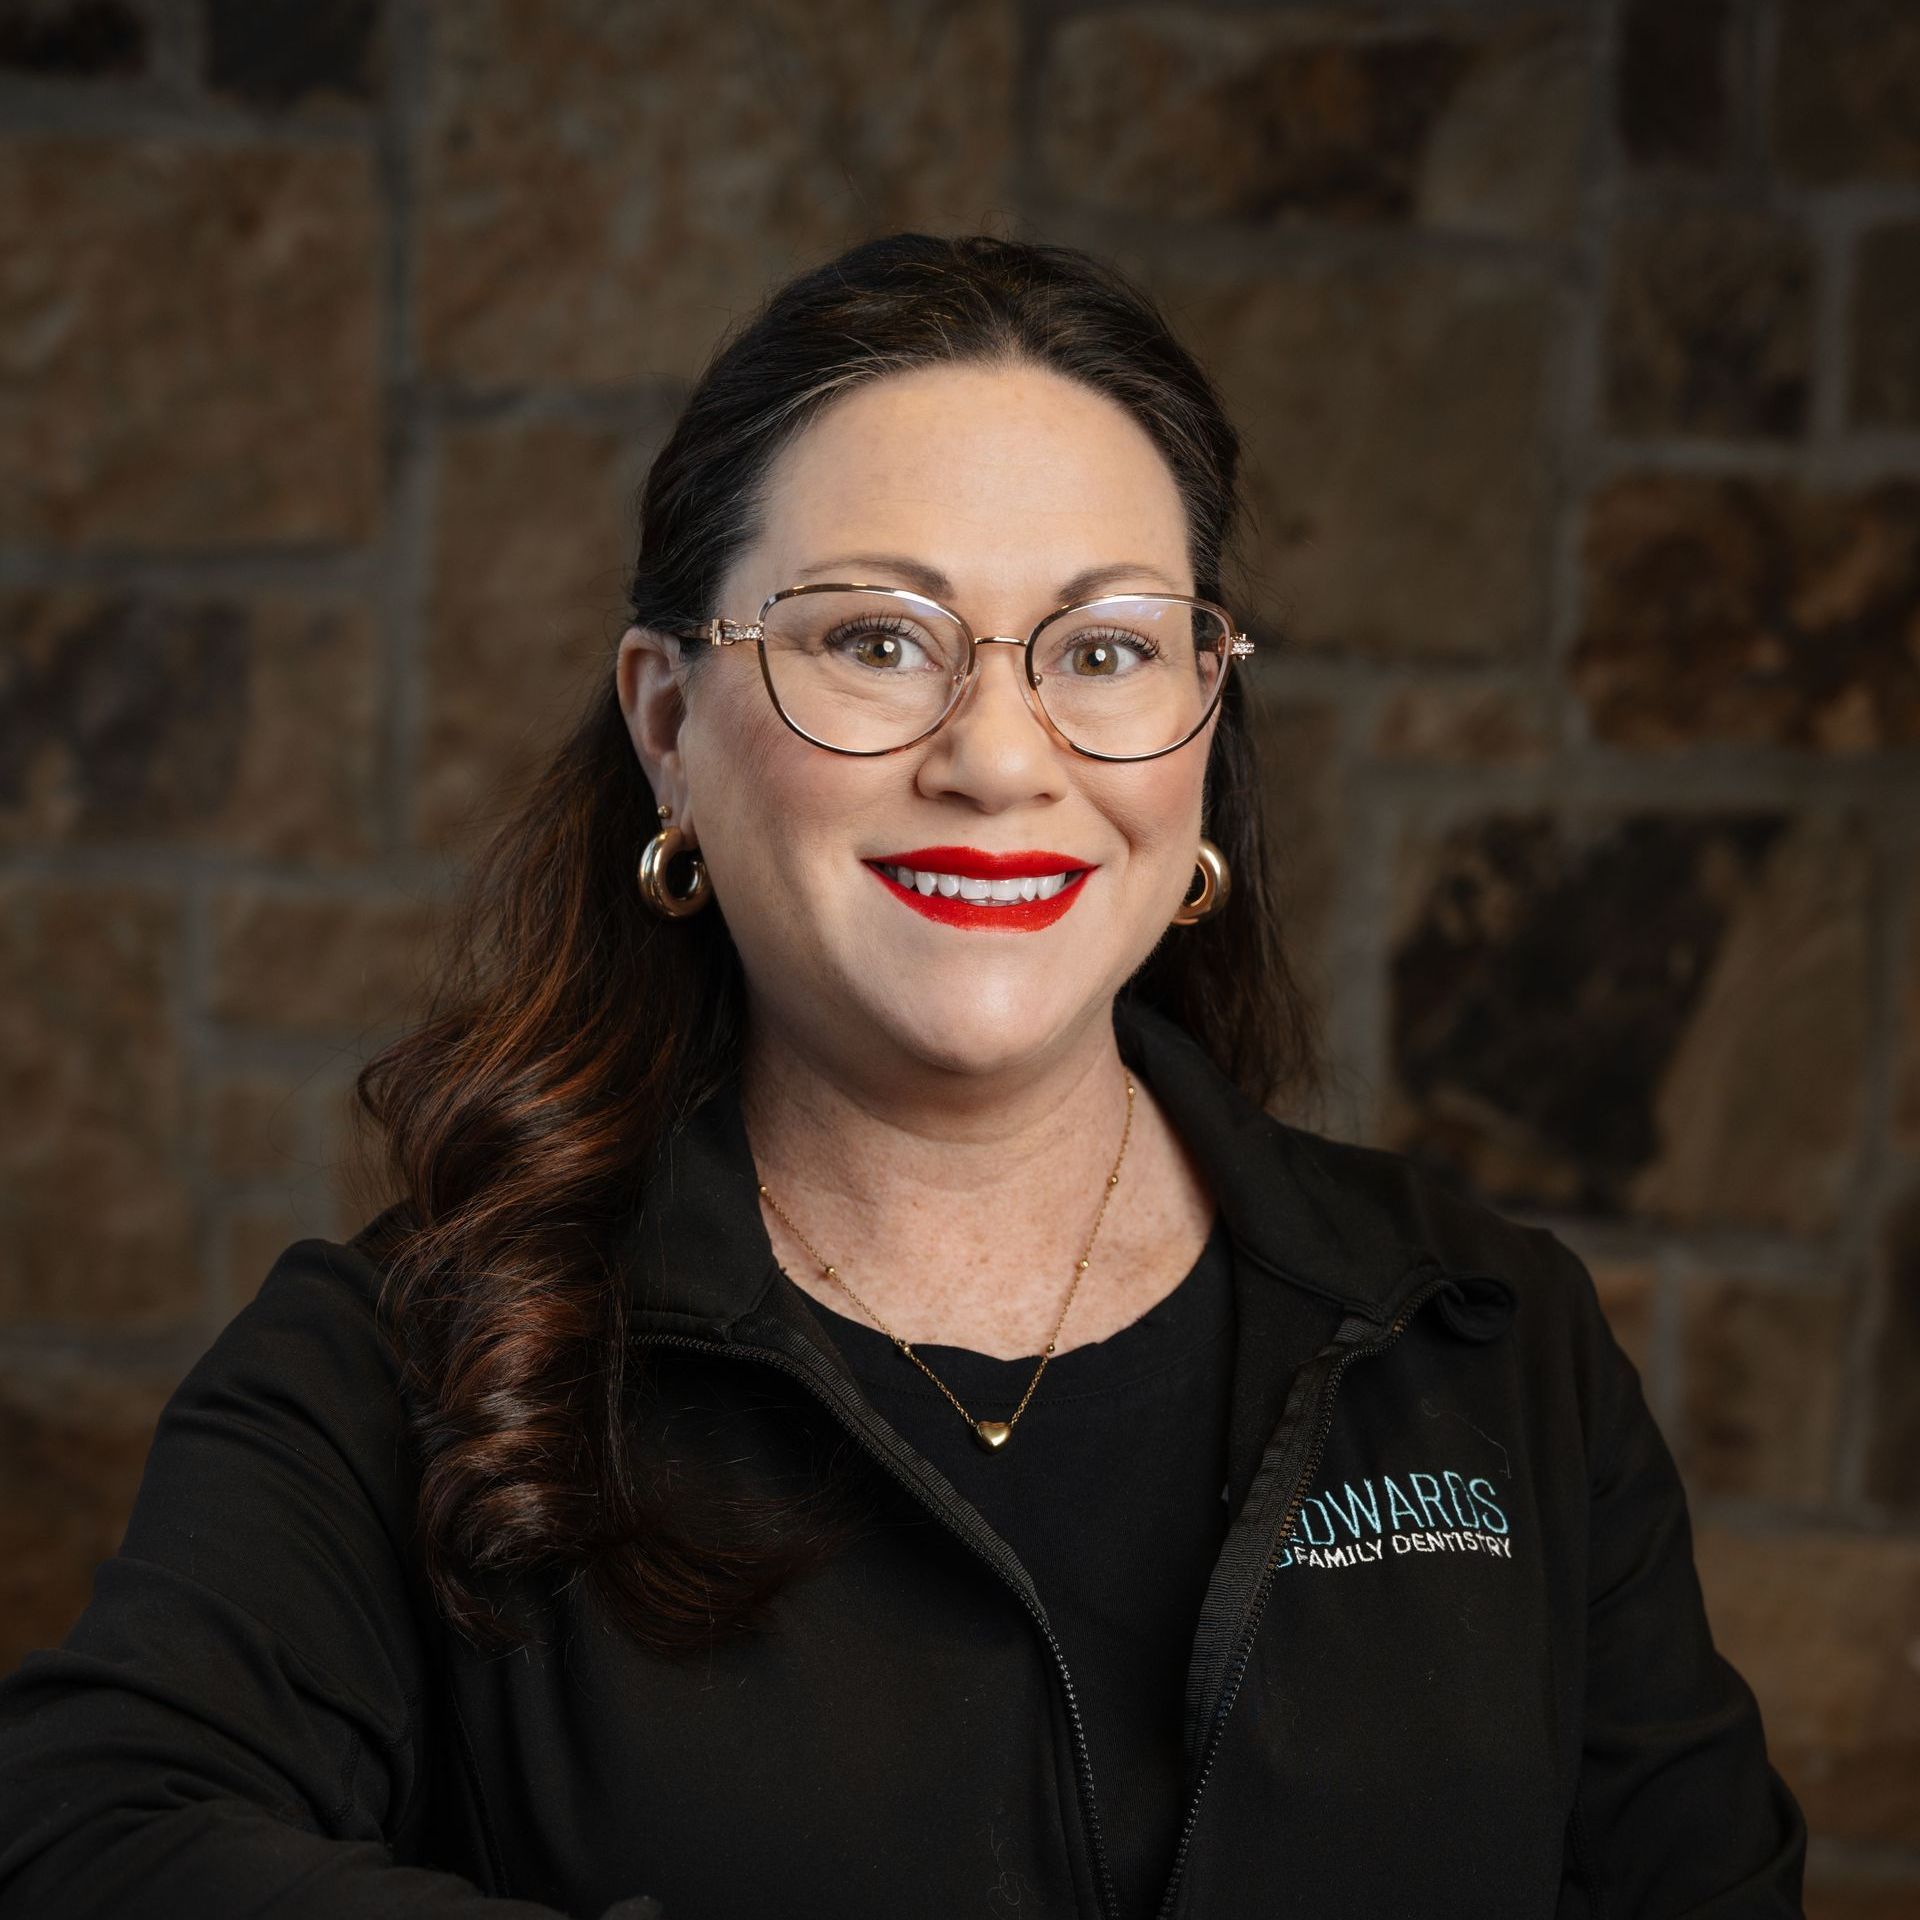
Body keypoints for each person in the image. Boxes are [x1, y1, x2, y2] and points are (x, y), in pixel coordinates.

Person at [0, 232, 1807, 1920]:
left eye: (1103, 649)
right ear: (669, 731)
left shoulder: (1495, 1350)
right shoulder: (394, 1372)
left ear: (1199, 734)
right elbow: (91, 1840)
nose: (1000, 757)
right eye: (876, 639)